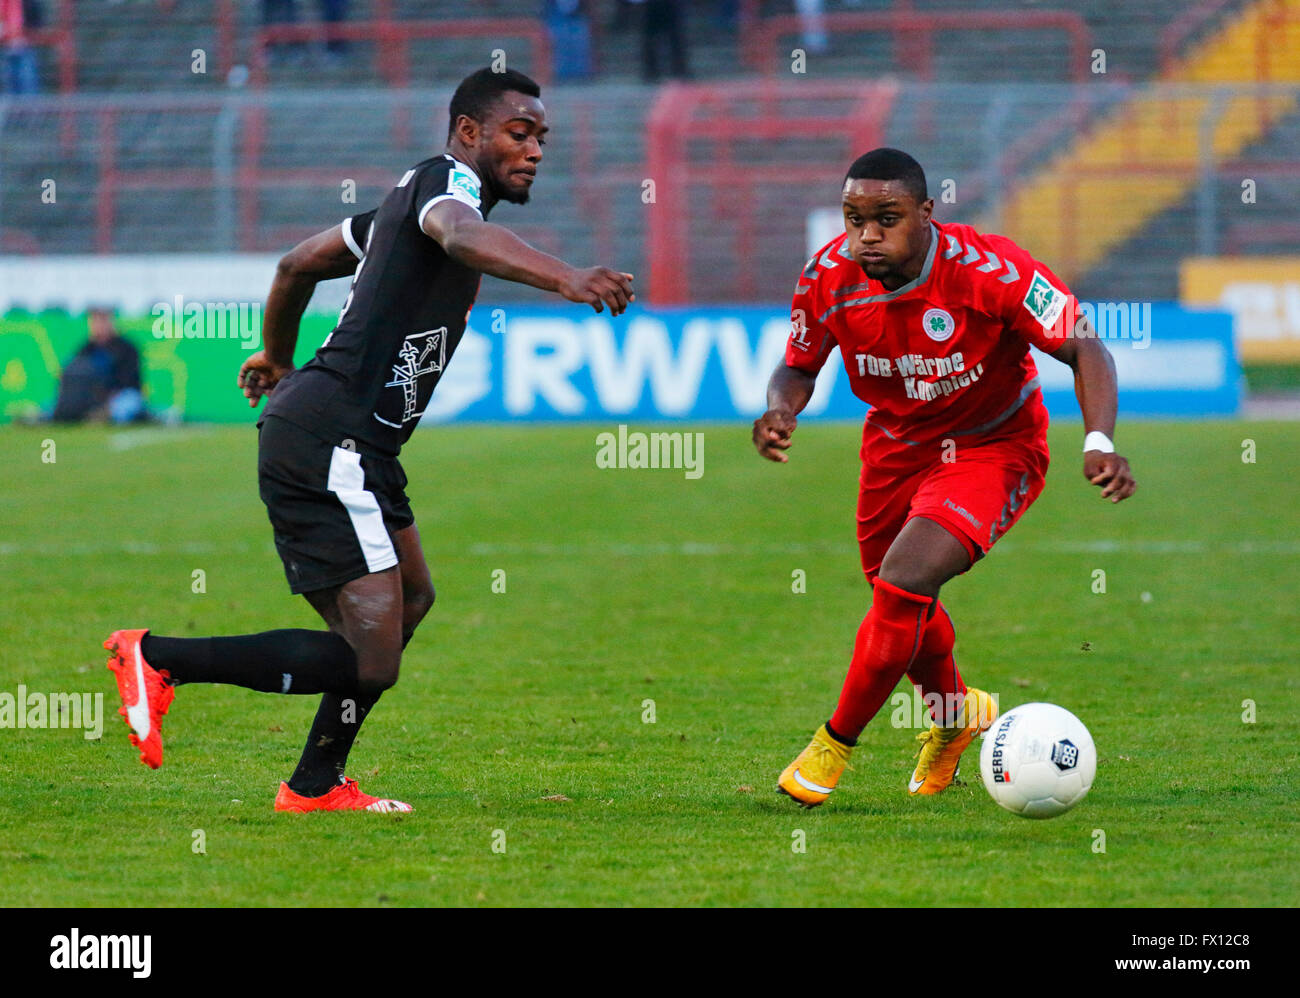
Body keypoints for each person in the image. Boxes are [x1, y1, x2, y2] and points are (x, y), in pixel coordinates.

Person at [103, 68, 635, 813]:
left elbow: (298, 264)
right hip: (331, 437)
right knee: (371, 658)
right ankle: (158, 659)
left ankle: (316, 784)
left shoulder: (397, 208)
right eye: (520, 132)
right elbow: (462, 232)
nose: (536, 149)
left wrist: (276, 356)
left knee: (411, 599)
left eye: (543, 137)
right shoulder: (443, 188)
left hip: (357, 443)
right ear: (469, 132)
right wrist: (567, 277)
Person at [756, 148, 1135, 808]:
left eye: (886, 218)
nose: (867, 235)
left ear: (926, 214)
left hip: (994, 446)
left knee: (906, 579)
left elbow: (1083, 344)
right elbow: (799, 364)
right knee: (895, 598)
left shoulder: (991, 270)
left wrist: (1098, 440)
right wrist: (779, 409)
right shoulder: (826, 276)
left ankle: (833, 744)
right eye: (854, 219)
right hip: (895, 451)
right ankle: (956, 714)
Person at [52, 307, 146, 423]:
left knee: (125, 407)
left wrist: (109, 395)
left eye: (103, 321)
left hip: (121, 395)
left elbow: (129, 380)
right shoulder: (86, 348)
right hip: (94, 398)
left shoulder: (126, 348)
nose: (99, 326)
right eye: (95, 321)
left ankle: (103, 415)